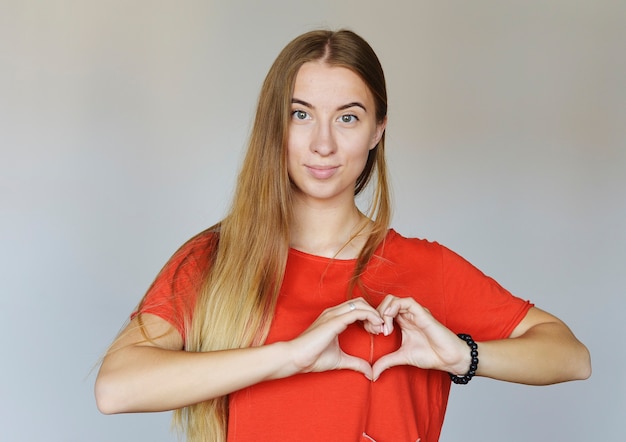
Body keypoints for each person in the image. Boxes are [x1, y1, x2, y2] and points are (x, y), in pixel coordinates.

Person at [95, 29, 591, 442]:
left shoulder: (425, 267)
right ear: (275, 127)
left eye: (348, 117)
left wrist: (464, 354)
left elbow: (571, 357)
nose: (323, 143)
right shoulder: (216, 258)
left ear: (378, 130)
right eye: (301, 114)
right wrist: (289, 356)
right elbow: (116, 389)